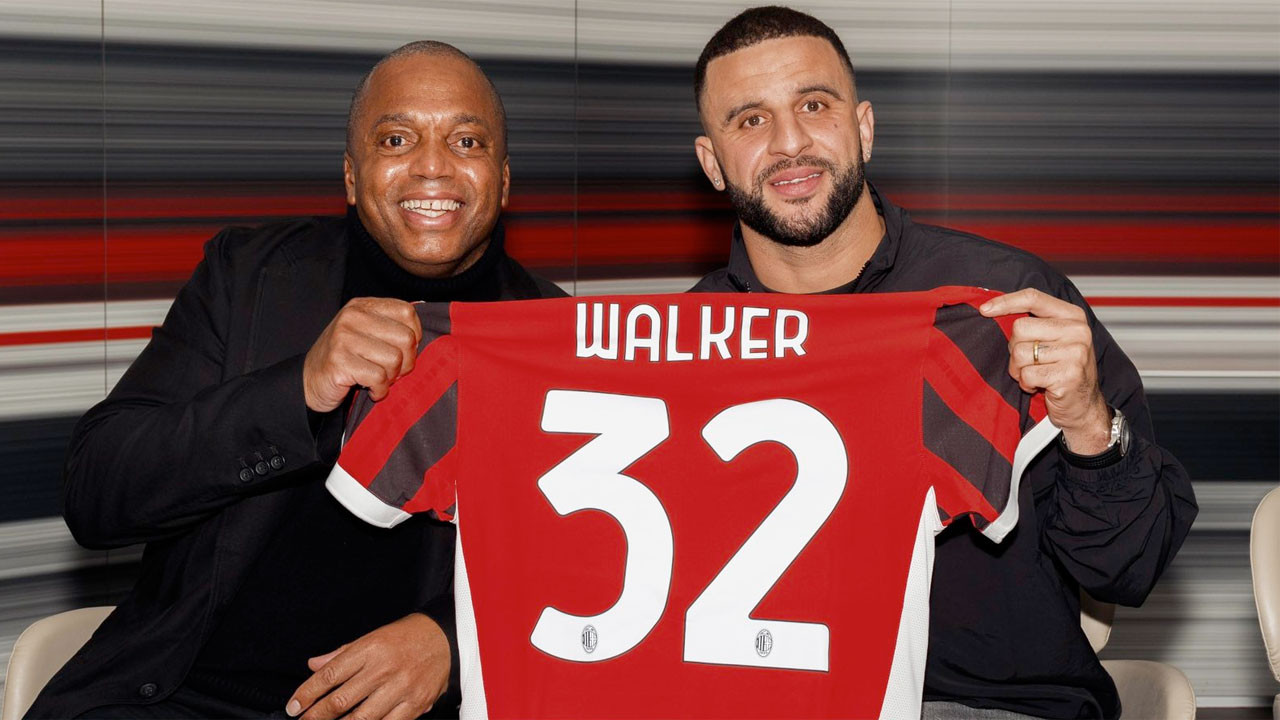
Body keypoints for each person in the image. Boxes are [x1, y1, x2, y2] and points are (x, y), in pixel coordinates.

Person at [27, 41, 563, 720]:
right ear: (351, 176)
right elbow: (98, 492)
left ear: (504, 181)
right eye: (396, 139)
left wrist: (453, 640)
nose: (433, 165)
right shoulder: (248, 279)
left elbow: (587, 558)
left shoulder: (557, 338)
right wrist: (299, 390)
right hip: (190, 698)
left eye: (467, 141)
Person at [687, 7, 1197, 720]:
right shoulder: (681, 346)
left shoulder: (1003, 303)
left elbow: (1130, 567)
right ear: (712, 163)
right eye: (750, 120)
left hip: (978, 705)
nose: (790, 141)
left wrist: (1087, 422)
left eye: (814, 105)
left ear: (863, 127)